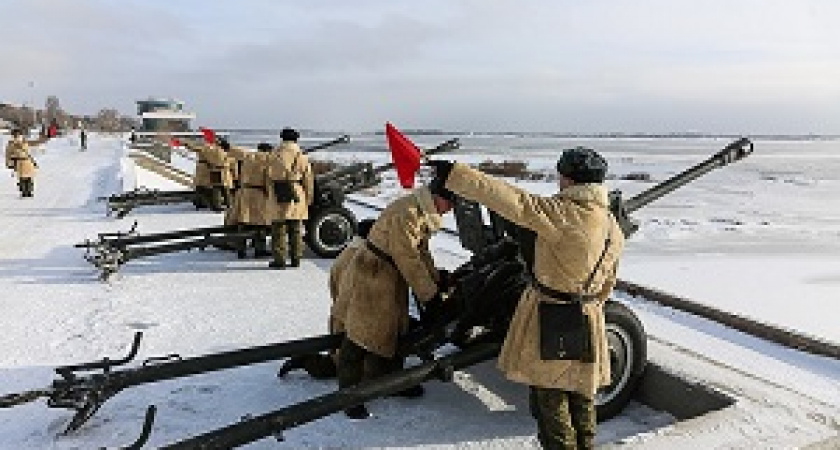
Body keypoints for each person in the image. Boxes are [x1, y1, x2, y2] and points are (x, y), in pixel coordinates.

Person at [429, 148, 625, 450]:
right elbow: (608, 283)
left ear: (569, 180)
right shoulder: (612, 225)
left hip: (551, 316)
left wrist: (455, 174)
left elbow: (510, 199)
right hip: (589, 315)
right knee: (581, 397)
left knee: (551, 400)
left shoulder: (562, 215)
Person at [336, 184, 455, 419]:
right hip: (375, 274)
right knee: (362, 335)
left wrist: (436, 280)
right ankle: (349, 396)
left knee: (391, 331)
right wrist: (430, 297)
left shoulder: (419, 211)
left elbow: (422, 253)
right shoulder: (408, 214)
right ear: (437, 197)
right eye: (449, 204)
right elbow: (409, 259)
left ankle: (390, 382)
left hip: (389, 274)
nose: (450, 210)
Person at [276, 218, 376, 379]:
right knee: (346, 366)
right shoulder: (358, 259)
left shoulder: (352, 253)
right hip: (352, 320)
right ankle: (307, 360)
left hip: (347, 317)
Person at [266, 128, 314, 269]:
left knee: (278, 229)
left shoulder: (274, 154)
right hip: (296, 191)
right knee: (295, 229)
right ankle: (296, 258)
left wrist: (270, 193)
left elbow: (268, 176)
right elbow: (308, 180)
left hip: (278, 191)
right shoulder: (301, 156)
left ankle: (279, 260)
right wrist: (308, 198)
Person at [226, 142, 274, 257]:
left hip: (244, 192)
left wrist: (226, 145)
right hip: (259, 193)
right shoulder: (268, 160)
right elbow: (268, 178)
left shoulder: (249, 156)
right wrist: (270, 194)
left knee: (243, 222)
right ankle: (259, 250)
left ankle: (241, 249)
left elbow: (235, 151)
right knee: (260, 224)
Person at [5, 128, 47, 198]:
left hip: (27, 161)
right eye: (15, 134)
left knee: (29, 177)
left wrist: (42, 140)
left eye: (18, 134)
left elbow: (35, 143)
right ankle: (24, 192)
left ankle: (29, 191)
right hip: (19, 162)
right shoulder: (11, 144)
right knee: (22, 178)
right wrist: (9, 163)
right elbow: (8, 154)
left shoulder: (25, 142)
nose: (17, 136)